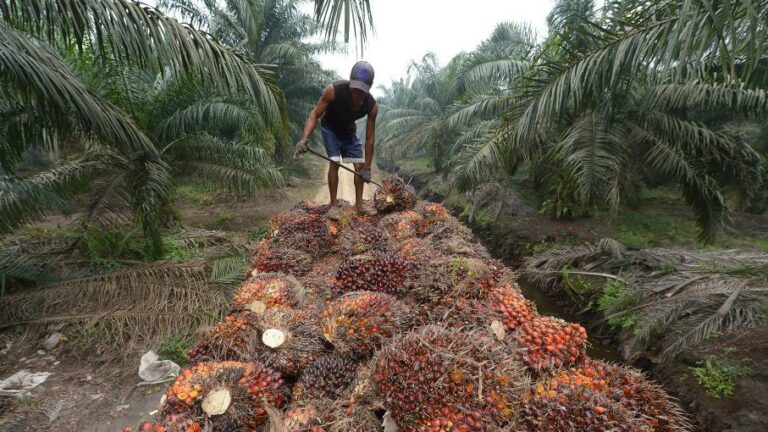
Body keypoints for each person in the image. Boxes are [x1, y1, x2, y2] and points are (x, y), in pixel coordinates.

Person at [294, 61, 378, 215]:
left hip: (348, 132)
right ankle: (333, 205)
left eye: (362, 91)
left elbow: (370, 137)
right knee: (335, 162)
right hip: (330, 129)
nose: (358, 94)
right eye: (355, 89)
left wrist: (368, 168)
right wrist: (304, 139)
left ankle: (359, 206)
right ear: (350, 83)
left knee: (359, 166)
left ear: (369, 88)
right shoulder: (334, 90)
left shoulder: (371, 105)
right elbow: (315, 114)